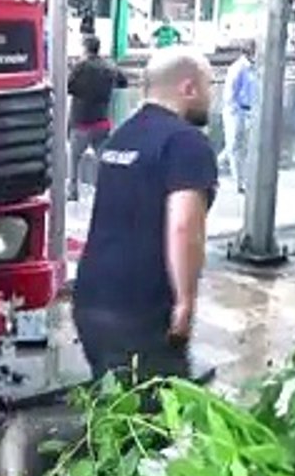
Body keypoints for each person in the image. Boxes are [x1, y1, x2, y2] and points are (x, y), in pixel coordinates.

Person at [72, 48, 219, 383]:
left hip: (92, 303)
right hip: (142, 311)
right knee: (151, 423)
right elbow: (184, 226)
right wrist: (185, 301)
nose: (211, 96)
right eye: (209, 85)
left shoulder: (122, 136)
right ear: (188, 88)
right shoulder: (186, 142)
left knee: (114, 411)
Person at [67, 35, 128, 202]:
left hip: (81, 122)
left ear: (85, 48)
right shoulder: (108, 66)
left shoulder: (81, 67)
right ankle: (110, 189)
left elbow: (68, 86)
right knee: (104, 159)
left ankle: (73, 192)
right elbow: (123, 81)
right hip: (101, 121)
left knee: (74, 160)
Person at [218, 41, 258, 194]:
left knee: (238, 147)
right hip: (236, 112)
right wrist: (234, 112)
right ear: (248, 52)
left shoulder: (255, 69)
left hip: (250, 112)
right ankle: (239, 183)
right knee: (235, 147)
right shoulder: (238, 68)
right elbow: (230, 93)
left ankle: (214, 167)